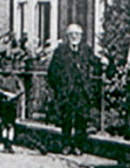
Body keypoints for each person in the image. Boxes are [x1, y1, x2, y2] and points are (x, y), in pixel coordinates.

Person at [46, 24, 107, 155]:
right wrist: (58, 87)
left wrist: (104, 62)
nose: (74, 37)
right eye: (72, 34)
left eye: (77, 34)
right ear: (68, 36)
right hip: (66, 91)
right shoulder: (60, 51)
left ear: (81, 36)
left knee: (81, 119)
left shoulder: (86, 50)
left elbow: (95, 63)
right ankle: (66, 145)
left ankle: (79, 146)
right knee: (66, 119)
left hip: (81, 90)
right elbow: (51, 72)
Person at [0, 63, 25, 153]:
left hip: (12, 103)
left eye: (9, 67)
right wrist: (4, 93)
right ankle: (5, 144)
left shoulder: (15, 78)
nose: (7, 69)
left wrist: (14, 95)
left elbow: (22, 89)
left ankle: (10, 144)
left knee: (11, 124)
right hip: (3, 102)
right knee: (4, 123)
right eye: (5, 67)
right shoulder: (0, 78)